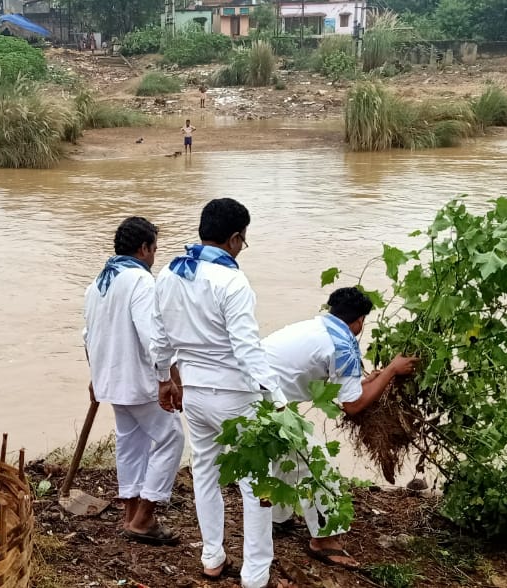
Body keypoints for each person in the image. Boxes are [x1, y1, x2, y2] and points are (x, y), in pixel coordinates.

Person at [152, 198, 290, 588]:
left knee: (205, 473)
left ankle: (212, 556)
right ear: (234, 239)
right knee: (257, 483)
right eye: (243, 240)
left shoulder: (169, 274)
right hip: (235, 395)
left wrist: (164, 379)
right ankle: (255, 573)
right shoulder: (232, 281)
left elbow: (159, 339)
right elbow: (247, 350)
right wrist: (278, 397)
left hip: (194, 393)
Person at [263, 287, 419, 569]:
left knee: (286, 454)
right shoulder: (344, 346)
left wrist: (370, 380)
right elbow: (353, 405)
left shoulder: (319, 327)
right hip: (267, 399)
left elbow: (338, 385)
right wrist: (391, 371)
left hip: (251, 388)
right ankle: (324, 540)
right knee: (317, 462)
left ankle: (275, 517)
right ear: (360, 320)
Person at [83, 217, 184, 546]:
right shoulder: (140, 280)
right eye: (154, 248)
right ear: (144, 248)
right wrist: (166, 378)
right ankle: (144, 518)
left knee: (131, 443)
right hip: (138, 382)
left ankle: (131, 514)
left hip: (112, 381)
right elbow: (152, 336)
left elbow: (88, 336)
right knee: (171, 438)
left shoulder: (98, 283)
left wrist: (95, 375)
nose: (154, 256)